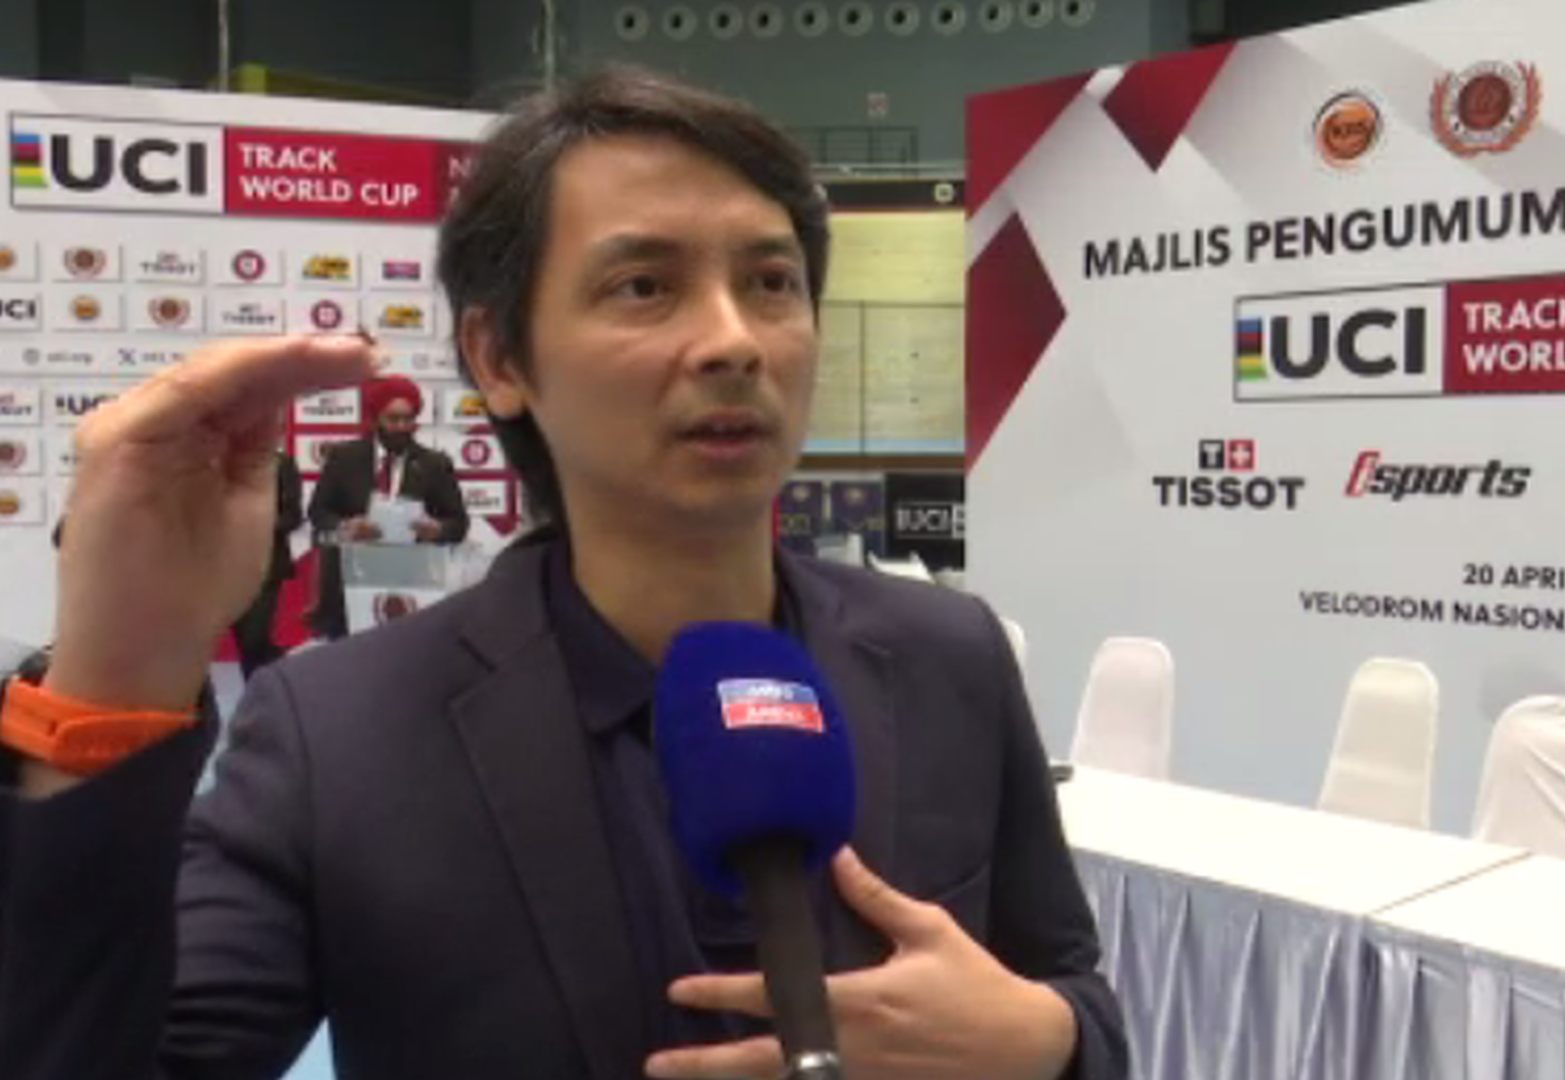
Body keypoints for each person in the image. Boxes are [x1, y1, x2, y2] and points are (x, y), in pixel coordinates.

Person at [0, 67, 1126, 1080]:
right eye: (644, 286)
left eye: (772, 282)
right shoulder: (338, 736)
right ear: (499, 358)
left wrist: (1044, 1042)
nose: (734, 340)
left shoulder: (946, 655)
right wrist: (113, 680)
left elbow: (1069, 988)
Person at [305, 374, 470, 639]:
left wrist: (438, 530)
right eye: (393, 419)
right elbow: (318, 512)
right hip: (348, 583)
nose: (402, 427)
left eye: (408, 419)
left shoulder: (435, 464)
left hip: (411, 585)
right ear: (375, 419)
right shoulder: (344, 457)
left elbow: (458, 524)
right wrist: (346, 527)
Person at [229, 450, 302, 677]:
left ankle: (268, 687)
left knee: (254, 639)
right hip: (223, 567)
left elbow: (293, 516)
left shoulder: (281, 464)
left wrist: (258, 524)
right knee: (244, 643)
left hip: (267, 564)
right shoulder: (214, 463)